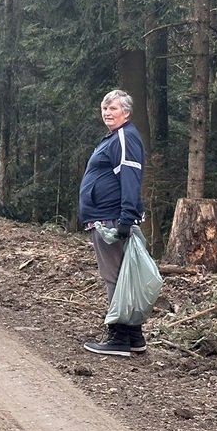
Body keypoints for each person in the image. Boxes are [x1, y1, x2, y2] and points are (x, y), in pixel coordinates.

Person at [78, 89, 147, 357]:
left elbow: (131, 177)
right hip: (107, 216)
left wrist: (126, 218)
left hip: (111, 218)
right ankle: (134, 336)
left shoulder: (125, 137)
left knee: (115, 278)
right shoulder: (115, 137)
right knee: (122, 275)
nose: (107, 112)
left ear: (126, 113)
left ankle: (118, 337)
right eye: (104, 108)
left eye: (113, 108)